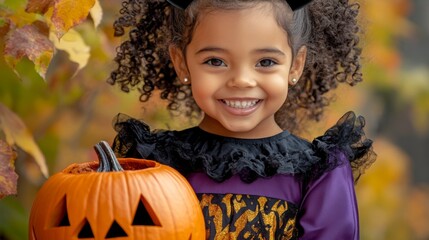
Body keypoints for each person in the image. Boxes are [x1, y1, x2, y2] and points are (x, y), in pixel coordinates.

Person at [108, 0, 376, 239]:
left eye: (266, 62)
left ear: (295, 65)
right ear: (181, 63)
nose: (241, 81)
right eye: (215, 61)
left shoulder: (317, 173)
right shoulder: (153, 165)